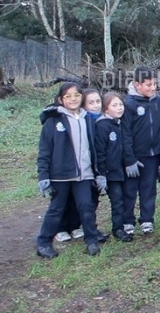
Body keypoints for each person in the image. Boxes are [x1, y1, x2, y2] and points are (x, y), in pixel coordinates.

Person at [36, 83, 102, 258]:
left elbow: (95, 147)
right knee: (57, 208)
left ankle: (91, 240)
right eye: (68, 96)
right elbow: (45, 151)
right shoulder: (53, 121)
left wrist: (99, 172)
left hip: (84, 174)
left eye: (76, 95)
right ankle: (43, 243)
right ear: (61, 99)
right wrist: (43, 176)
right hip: (61, 175)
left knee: (86, 206)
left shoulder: (87, 118)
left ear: (81, 98)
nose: (73, 99)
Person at [55, 88, 104, 243]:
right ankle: (62, 227)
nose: (96, 106)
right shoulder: (80, 120)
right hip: (73, 168)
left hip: (93, 167)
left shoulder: (104, 120)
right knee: (68, 198)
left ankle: (80, 225)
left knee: (90, 199)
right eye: (91, 103)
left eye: (98, 102)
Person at [122, 66, 160, 236]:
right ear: (137, 85)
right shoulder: (129, 104)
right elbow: (125, 134)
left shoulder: (159, 102)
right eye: (148, 85)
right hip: (135, 157)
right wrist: (129, 159)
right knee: (130, 190)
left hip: (153, 156)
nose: (153, 88)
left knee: (149, 189)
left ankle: (147, 220)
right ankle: (127, 221)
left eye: (155, 84)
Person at [94, 91, 132, 242]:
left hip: (121, 170)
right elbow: (100, 152)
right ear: (106, 109)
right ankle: (117, 229)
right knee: (116, 201)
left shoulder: (120, 123)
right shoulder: (103, 126)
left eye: (121, 104)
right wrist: (101, 174)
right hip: (110, 172)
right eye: (114, 105)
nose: (119, 108)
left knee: (122, 199)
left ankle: (121, 226)